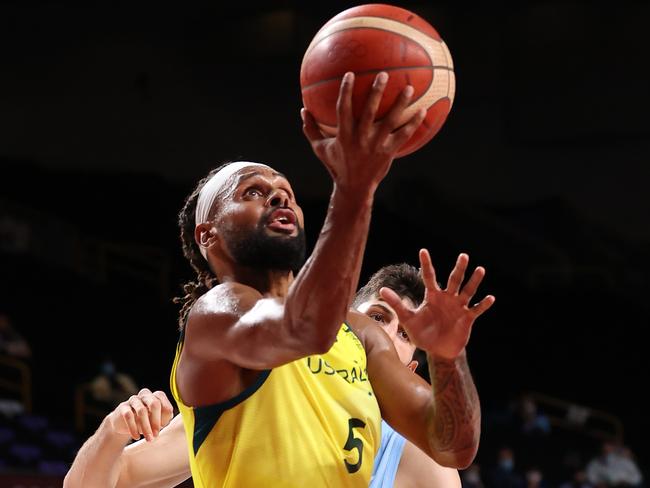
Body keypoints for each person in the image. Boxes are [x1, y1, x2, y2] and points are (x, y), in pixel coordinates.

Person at [65, 71, 494, 486]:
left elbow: (452, 446)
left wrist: (447, 357)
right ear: (208, 235)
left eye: (286, 192)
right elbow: (304, 328)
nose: (276, 194)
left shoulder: (359, 335)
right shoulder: (215, 315)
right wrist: (355, 188)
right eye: (251, 192)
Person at [64, 260, 484, 488]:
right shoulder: (261, 395)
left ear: (411, 367)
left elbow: (458, 444)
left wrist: (452, 355)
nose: (386, 337)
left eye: (406, 335)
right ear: (345, 327)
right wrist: (112, 431)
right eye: (377, 318)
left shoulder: (421, 460)